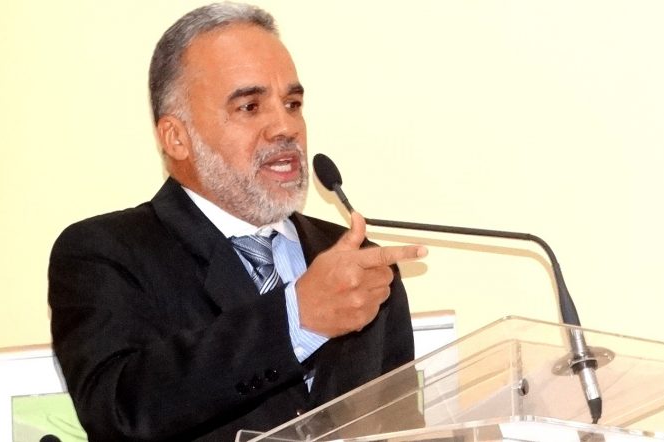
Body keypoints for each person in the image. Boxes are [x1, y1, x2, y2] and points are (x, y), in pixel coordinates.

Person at [48, 3, 427, 441]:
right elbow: (118, 411)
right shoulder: (105, 253)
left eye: (292, 103)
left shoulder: (360, 265)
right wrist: (297, 317)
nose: (285, 127)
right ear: (176, 137)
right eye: (250, 106)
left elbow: (401, 425)